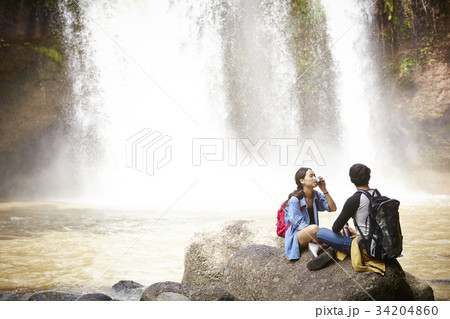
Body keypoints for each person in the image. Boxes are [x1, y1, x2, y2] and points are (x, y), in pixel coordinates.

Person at [307, 163, 375, 270]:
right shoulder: (379, 195)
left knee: (321, 232)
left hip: (366, 248)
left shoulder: (355, 199)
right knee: (348, 232)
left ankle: (333, 250)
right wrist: (356, 232)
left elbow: (336, 228)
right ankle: (332, 250)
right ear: (369, 177)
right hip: (382, 244)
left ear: (351, 180)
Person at [284, 167, 337, 260]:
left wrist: (324, 189)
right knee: (316, 229)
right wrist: (321, 238)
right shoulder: (294, 200)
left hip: (312, 233)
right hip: (297, 237)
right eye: (311, 176)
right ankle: (320, 245)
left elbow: (332, 208)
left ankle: (319, 246)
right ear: (302, 180)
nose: (315, 178)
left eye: (315, 176)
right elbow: (299, 225)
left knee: (336, 232)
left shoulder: (316, 195)